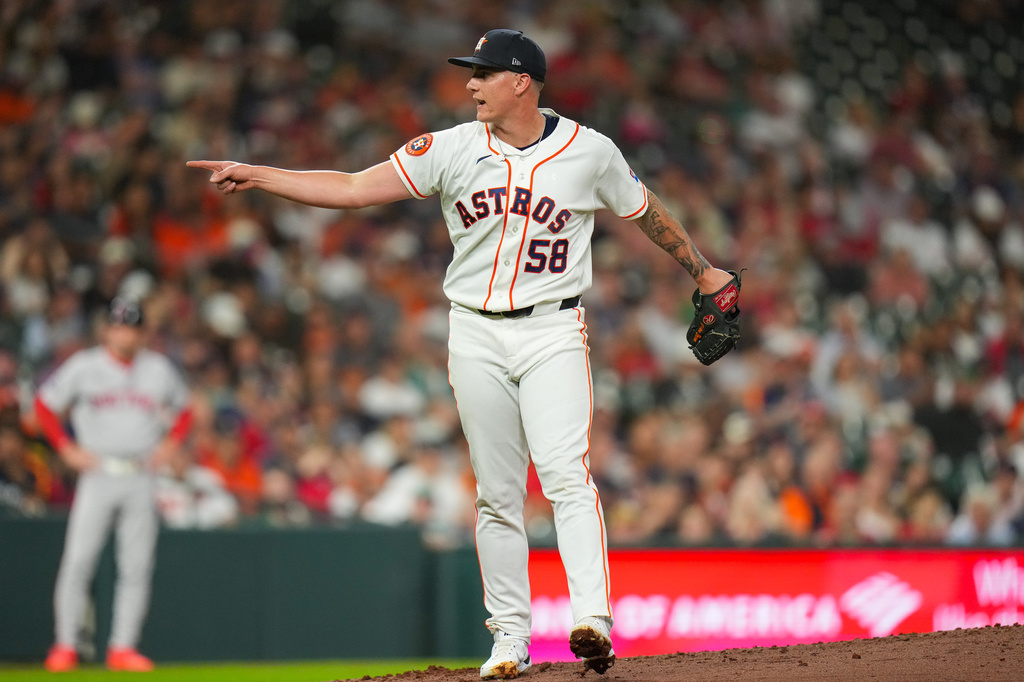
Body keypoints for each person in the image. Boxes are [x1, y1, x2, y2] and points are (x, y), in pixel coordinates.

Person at [188, 29, 737, 679]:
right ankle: (509, 638)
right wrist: (261, 175)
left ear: (521, 82)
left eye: (484, 73)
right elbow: (354, 188)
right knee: (497, 495)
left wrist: (702, 272)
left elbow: (646, 212)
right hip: (473, 331)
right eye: (471, 73)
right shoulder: (449, 148)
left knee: (565, 473)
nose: (471, 83)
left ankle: (593, 619)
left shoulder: (590, 152)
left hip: (552, 330)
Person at [34, 297, 192, 672]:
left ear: (143, 333)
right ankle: (65, 645)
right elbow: (43, 404)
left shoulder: (157, 369)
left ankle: (122, 647)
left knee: (136, 566)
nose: (124, 332)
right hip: (98, 473)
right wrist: (65, 447)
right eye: (119, 324)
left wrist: (171, 443)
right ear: (106, 328)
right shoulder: (86, 366)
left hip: (140, 473)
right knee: (78, 562)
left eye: (132, 326)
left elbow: (185, 409)